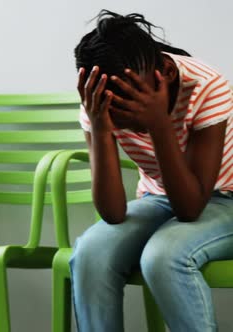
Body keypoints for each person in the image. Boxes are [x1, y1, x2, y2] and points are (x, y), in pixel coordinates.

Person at [71, 9, 233, 331]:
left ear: (166, 75)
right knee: (90, 253)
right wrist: (101, 129)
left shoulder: (207, 87)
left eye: (130, 102)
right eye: (113, 106)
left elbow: (189, 208)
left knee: (163, 256)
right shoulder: (99, 102)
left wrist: (159, 124)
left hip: (225, 198)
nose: (122, 117)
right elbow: (113, 214)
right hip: (159, 197)